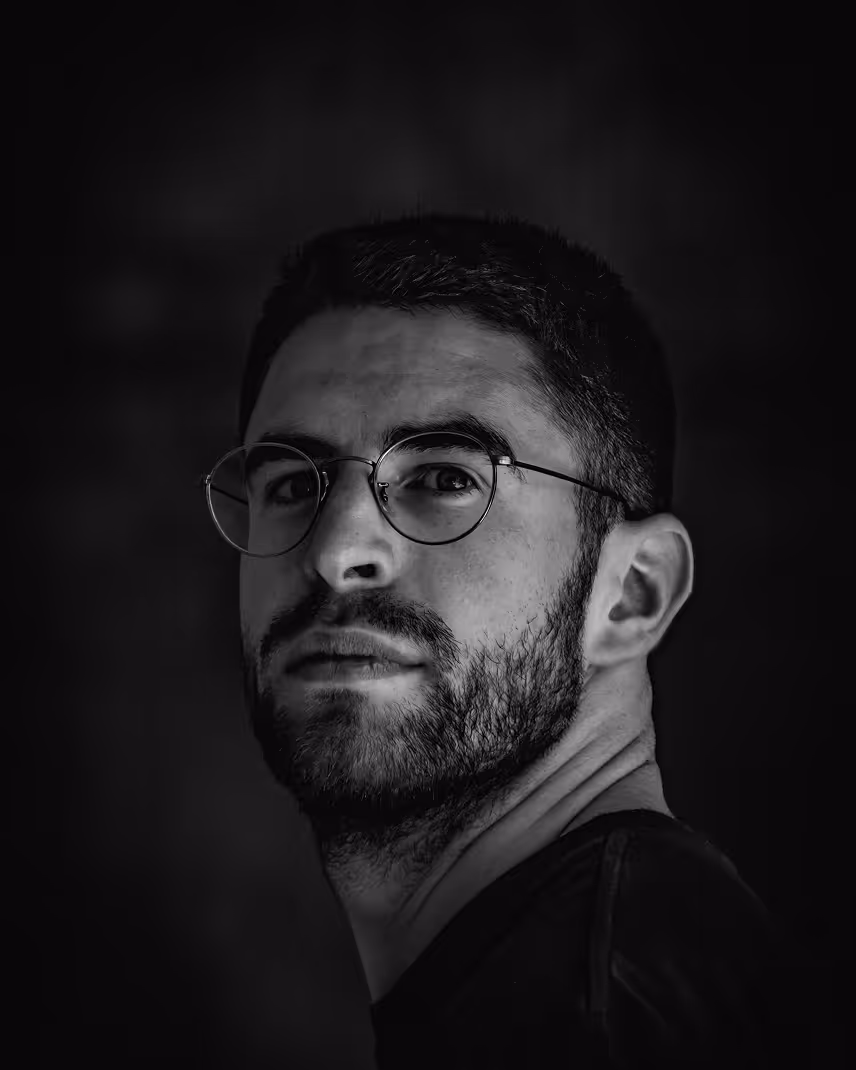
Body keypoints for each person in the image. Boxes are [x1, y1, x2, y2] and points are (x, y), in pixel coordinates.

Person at [201, 213, 797, 1067]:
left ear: (632, 592)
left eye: (445, 479)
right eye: (293, 482)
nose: (336, 553)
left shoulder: (604, 1017)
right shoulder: (590, 971)